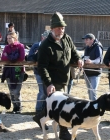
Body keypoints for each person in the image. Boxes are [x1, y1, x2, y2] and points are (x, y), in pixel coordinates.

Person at [33, 12, 83, 140]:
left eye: (63, 28)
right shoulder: (45, 45)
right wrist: (48, 83)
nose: (61, 30)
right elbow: (42, 67)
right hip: (52, 80)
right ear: (52, 28)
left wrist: (78, 59)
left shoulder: (67, 38)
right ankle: (64, 133)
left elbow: (73, 51)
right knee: (61, 107)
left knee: (56, 105)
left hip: (65, 78)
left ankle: (40, 117)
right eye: (59, 28)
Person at [1, 32, 25, 114]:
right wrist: (13, 56)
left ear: (15, 38)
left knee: (16, 91)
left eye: (10, 38)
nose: (8, 40)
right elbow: (3, 58)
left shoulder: (20, 46)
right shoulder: (7, 47)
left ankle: (19, 106)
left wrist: (8, 55)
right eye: (7, 38)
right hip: (8, 71)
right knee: (11, 90)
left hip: (18, 71)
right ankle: (15, 108)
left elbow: (21, 58)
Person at [27, 30, 50, 113]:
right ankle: (38, 109)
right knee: (42, 91)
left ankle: (46, 109)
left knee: (48, 91)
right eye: (45, 37)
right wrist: (36, 59)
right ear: (42, 37)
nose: (46, 39)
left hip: (49, 72)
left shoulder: (50, 46)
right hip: (38, 72)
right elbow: (29, 57)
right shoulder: (36, 45)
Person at [82, 33, 103, 100]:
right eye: (85, 39)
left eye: (87, 39)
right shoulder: (87, 48)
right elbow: (85, 57)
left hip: (95, 73)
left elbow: (99, 59)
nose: (85, 41)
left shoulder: (98, 47)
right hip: (87, 72)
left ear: (92, 40)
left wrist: (92, 62)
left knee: (93, 92)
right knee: (89, 91)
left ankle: (94, 108)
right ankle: (91, 107)